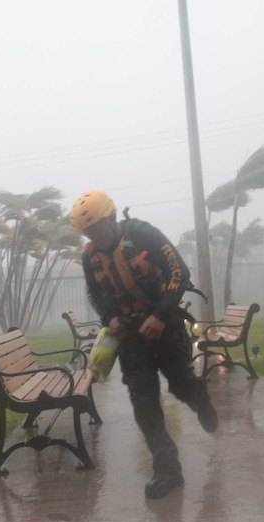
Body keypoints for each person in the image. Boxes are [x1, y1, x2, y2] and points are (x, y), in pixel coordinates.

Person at [70, 189, 218, 499]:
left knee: (180, 385)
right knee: (143, 402)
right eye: (88, 232)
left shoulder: (142, 234)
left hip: (166, 326)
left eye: (97, 228)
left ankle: (199, 397)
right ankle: (167, 470)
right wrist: (110, 317)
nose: (94, 237)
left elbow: (179, 271)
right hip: (130, 337)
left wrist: (161, 315)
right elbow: (95, 294)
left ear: (111, 218)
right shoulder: (90, 257)